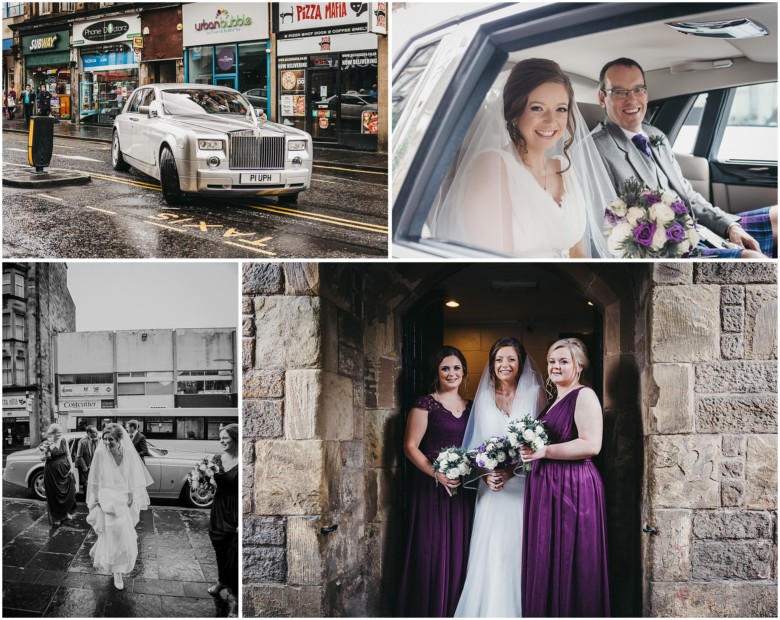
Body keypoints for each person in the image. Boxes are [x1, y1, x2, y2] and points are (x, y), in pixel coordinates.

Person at [591, 57, 777, 259]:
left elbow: (687, 194)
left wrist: (728, 226)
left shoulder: (655, 135)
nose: (632, 99)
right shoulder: (594, 150)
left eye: (638, 90)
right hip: (665, 251)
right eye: (619, 92)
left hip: (699, 229)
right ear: (602, 98)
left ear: (645, 94)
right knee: (753, 260)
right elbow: (609, 228)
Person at [427, 58, 614, 258]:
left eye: (560, 109)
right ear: (514, 112)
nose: (551, 120)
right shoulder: (491, 166)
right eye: (537, 108)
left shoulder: (565, 167)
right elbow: (495, 261)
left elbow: (577, 252)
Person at [455, 337, 546, 617]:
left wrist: (513, 470)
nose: (504, 365)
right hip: (492, 489)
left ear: (521, 364)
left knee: (519, 548)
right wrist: (485, 474)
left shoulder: (535, 394)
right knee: (491, 548)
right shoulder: (482, 399)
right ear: (492, 364)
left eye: (511, 359)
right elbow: (474, 447)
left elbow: (544, 443)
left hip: (523, 485)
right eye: (499, 359)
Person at [521, 338, 610, 616]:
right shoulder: (553, 400)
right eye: (552, 361)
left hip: (573, 487)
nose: (555, 366)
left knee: (572, 555)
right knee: (548, 555)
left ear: (579, 365)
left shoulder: (584, 395)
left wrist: (544, 450)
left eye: (563, 361)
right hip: (550, 486)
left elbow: (591, 444)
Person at [396, 346, 476, 617]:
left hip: (463, 490)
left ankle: (457, 607)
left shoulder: (473, 407)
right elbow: (410, 447)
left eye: (456, 367)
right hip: (431, 488)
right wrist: (436, 473)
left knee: (462, 547)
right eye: (445, 368)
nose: (451, 373)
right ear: (437, 373)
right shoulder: (425, 403)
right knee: (432, 547)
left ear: (464, 372)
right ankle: (431, 608)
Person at [86, 423, 153, 590]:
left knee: (122, 533)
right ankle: (116, 571)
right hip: (107, 496)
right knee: (111, 531)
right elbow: (94, 478)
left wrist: (131, 494)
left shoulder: (129, 453)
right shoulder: (101, 452)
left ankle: (118, 565)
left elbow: (132, 475)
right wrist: (96, 499)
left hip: (123, 496)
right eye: (105, 439)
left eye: (111, 440)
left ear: (119, 439)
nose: (107, 443)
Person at [208, 423, 239, 618]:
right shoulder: (216, 459)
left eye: (225, 437)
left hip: (235, 510)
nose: (221, 440)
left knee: (233, 554)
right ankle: (221, 582)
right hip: (218, 509)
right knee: (220, 548)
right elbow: (213, 486)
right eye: (220, 437)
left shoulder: (243, 460)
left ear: (235, 438)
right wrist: (205, 479)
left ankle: (236, 598)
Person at [39, 423, 77, 526]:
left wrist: (71, 467)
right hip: (52, 472)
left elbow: (68, 454)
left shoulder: (64, 441)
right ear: (52, 433)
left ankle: (65, 513)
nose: (60, 434)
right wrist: (47, 451)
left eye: (60, 432)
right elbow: (42, 458)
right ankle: (56, 516)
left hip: (65, 470)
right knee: (55, 495)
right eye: (57, 433)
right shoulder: (46, 443)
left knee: (68, 494)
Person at [75, 425, 99, 493]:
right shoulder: (82, 441)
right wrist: (85, 468)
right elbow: (79, 456)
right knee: (87, 484)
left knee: (96, 484)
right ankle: (87, 501)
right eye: (94, 432)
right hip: (87, 467)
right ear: (89, 433)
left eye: (96, 432)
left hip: (96, 466)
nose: (96, 433)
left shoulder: (98, 439)